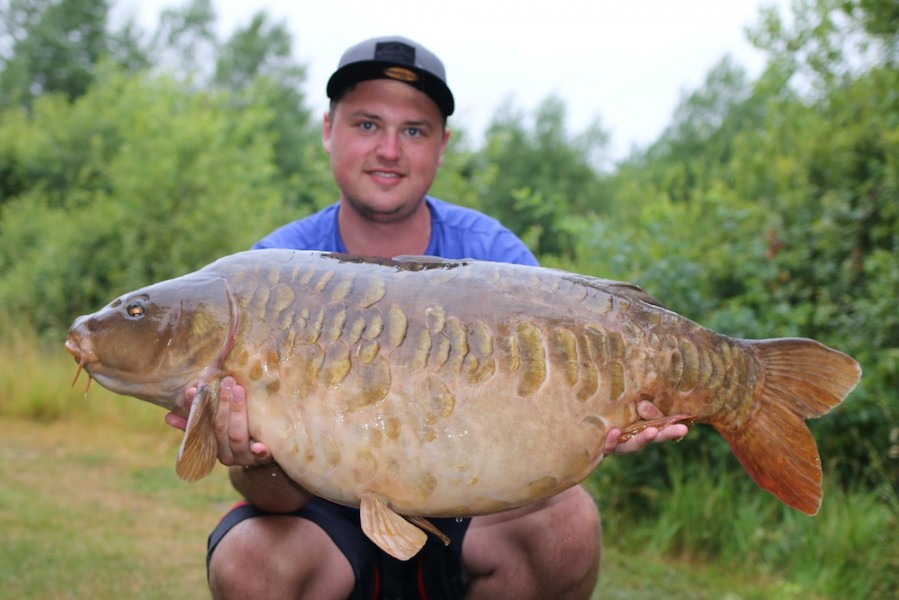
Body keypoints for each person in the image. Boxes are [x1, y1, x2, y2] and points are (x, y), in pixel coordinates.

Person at [165, 36, 689, 600]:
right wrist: (250, 456)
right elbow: (273, 498)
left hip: (472, 504)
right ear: (327, 130)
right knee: (249, 561)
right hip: (322, 511)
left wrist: (608, 414)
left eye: (413, 131)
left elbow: (548, 425)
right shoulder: (266, 274)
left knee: (569, 526)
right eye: (367, 124)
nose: (389, 149)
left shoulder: (495, 258)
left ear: (442, 146)